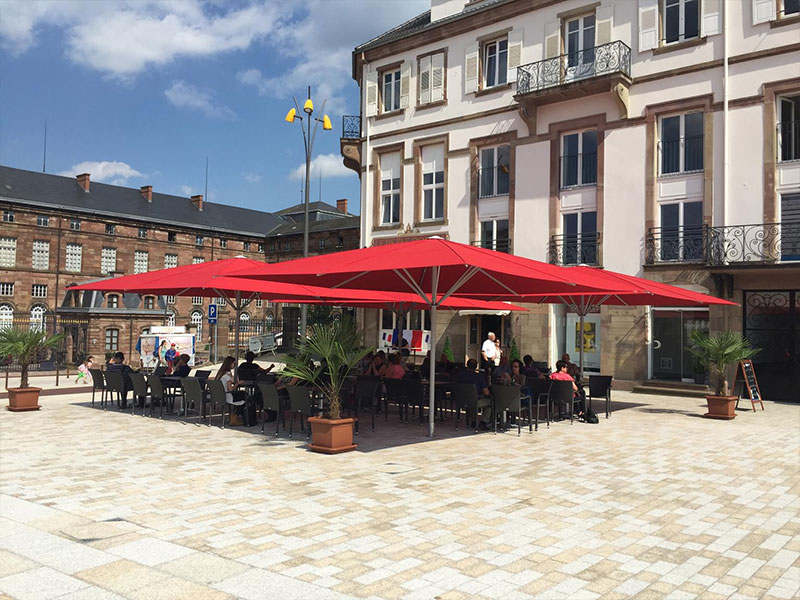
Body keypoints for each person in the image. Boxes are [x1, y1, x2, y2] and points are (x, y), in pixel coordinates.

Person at [454, 358, 493, 430]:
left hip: (461, 401)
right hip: (474, 401)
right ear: (476, 367)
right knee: (490, 402)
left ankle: (473, 421)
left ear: (467, 366)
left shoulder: (460, 376)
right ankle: (484, 422)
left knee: (472, 400)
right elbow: (486, 392)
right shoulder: (479, 377)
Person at [215, 356, 247, 425]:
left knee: (242, 395)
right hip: (228, 396)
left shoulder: (220, 374)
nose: (235, 365)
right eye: (234, 364)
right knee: (246, 396)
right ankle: (235, 415)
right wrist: (238, 383)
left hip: (221, 396)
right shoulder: (227, 376)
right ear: (230, 364)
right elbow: (231, 389)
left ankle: (235, 415)